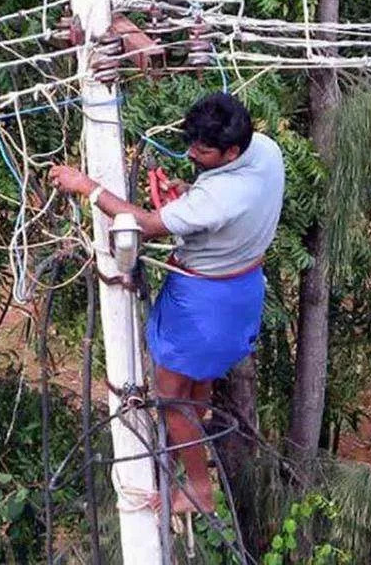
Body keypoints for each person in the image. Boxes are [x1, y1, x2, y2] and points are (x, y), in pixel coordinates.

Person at [50, 91, 285, 514]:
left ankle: (198, 488)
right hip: (241, 290)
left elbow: (145, 224)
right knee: (197, 385)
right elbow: (218, 202)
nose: (192, 153)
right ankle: (179, 452)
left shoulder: (218, 199)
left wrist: (86, 186)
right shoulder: (264, 151)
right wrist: (190, 193)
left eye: (203, 149)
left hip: (203, 305)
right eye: (191, 143)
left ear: (232, 150)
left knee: (173, 395)